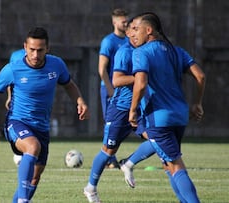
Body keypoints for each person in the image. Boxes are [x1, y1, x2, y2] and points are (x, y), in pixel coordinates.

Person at [0, 27, 89, 203]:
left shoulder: (56, 65)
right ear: (25, 47)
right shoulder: (13, 69)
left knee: (35, 177)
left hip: (41, 127)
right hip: (17, 122)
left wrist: (80, 101)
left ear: (47, 48)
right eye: (32, 49)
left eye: (40, 50)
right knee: (33, 147)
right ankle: (24, 201)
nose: (35, 54)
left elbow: (68, 84)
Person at [129, 12, 205, 203]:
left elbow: (141, 83)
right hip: (180, 115)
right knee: (168, 164)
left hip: (158, 118)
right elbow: (201, 76)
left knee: (176, 164)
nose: (133, 33)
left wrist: (133, 110)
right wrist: (197, 102)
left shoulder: (141, 52)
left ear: (149, 30)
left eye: (137, 29)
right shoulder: (176, 51)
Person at [83, 18, 155, 203]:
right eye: (133, 29)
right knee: (108, 150)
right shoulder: (125, 52)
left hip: (140, 109)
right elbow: (117, 80)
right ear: (129, 33)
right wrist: (140, 78)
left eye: (138, 29)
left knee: (158, 140)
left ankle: (128, 163)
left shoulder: (146, 51)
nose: (135, 33)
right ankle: (91, 188)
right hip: (121, 110)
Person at [98, 8, 129, 169]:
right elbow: (102, 69)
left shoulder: (130, 40)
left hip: (126, 90)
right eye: (123, 21)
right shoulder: (109, 42)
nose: (126, 24)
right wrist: (110, 89)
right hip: (110, 88)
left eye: (127, 21)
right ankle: (109, 159)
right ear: (114, 22)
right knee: (110, 123)